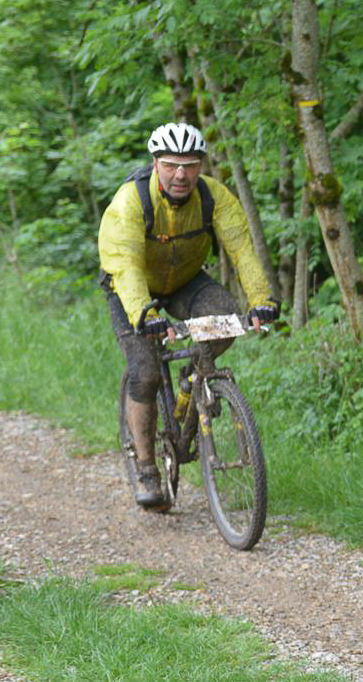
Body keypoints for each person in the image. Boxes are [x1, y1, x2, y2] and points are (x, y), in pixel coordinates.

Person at [98, 121, 278, 509]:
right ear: (156, 164)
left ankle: (194, 379)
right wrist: (143, 314)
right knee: (145, 372)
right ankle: (147, 467)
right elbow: (125, 264)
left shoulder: (214, 196)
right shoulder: (131, 201)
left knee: (226, 319)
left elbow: (242, 249)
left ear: (201, 165)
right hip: (131, 287)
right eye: (171, 165)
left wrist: (261, 300)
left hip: (185, 280)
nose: (181, 174)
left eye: (190, 165)